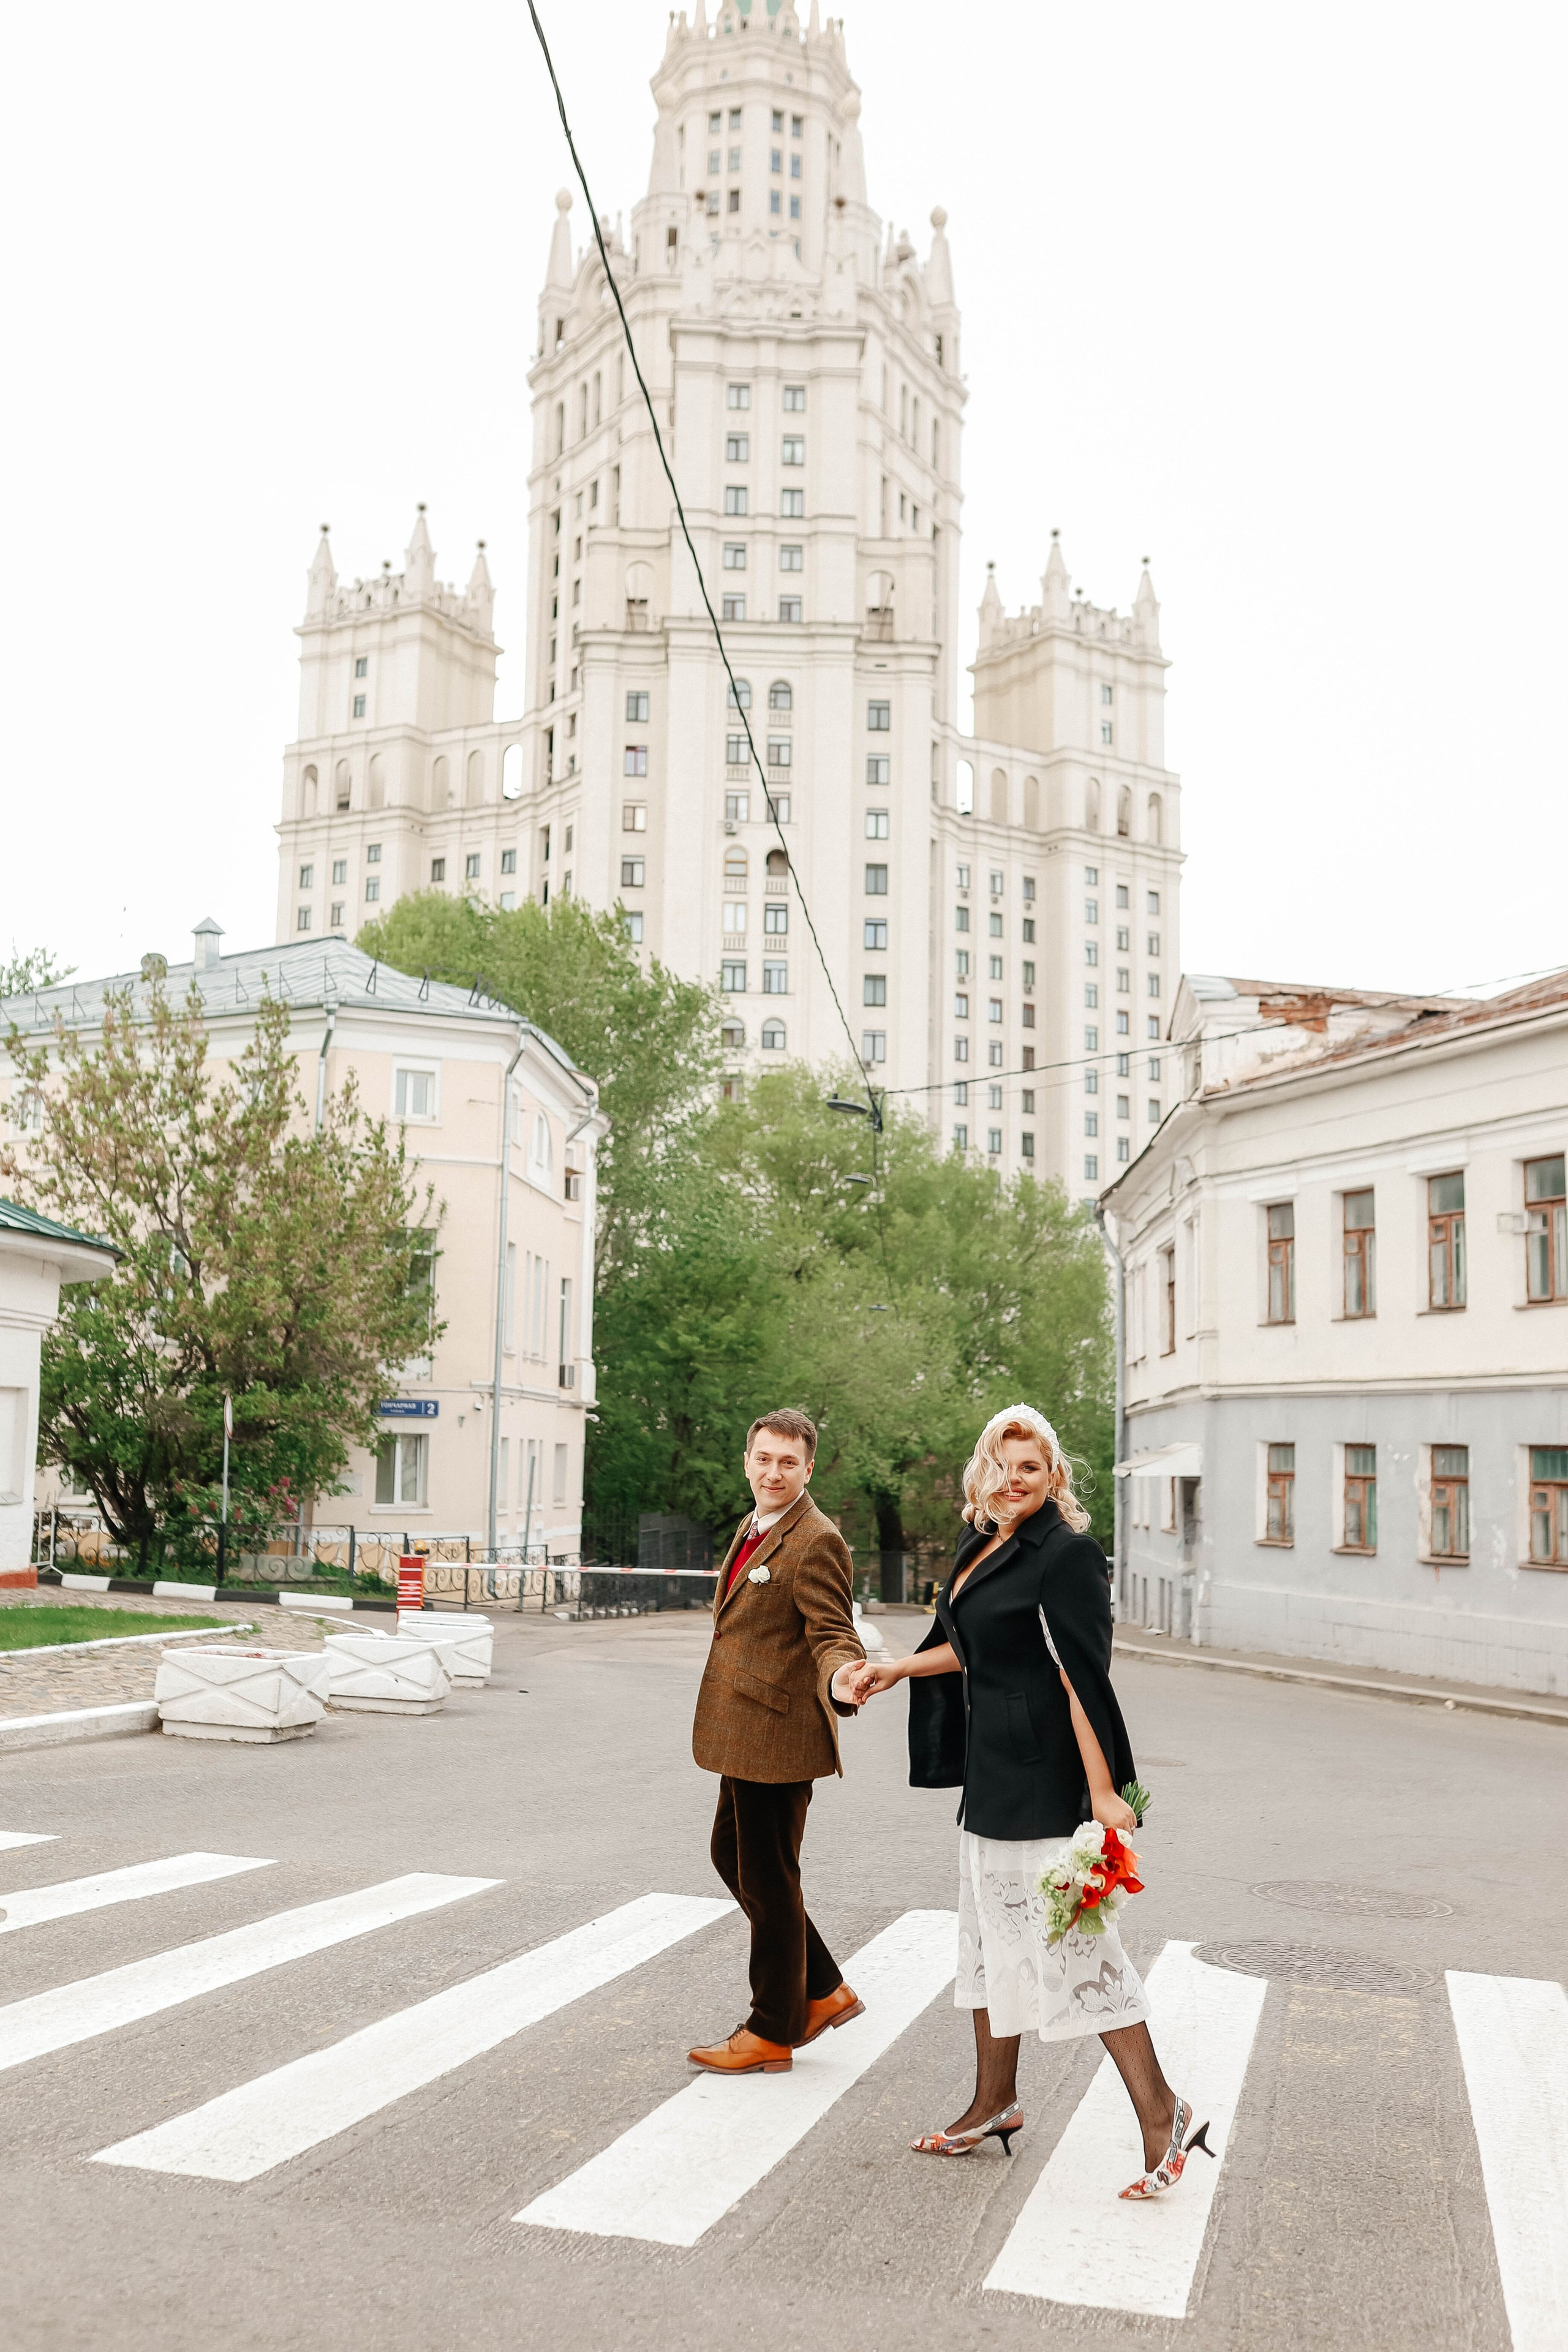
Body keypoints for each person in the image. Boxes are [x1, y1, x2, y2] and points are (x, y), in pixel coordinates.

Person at [852, 1404, 1213, 2199]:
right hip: (992, 1779)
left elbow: (1081, 1678)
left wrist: (1103, 1792)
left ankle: (1163, 2113)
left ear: (1054, 1478)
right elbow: (972, 1647)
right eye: (1002, 1466)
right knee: (986, 1943)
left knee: (1075, 1947)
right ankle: (995, 2102)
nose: (1013, 1481)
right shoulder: (986, 1546)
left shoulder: (1068, 1555)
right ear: (984, 1470)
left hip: (1046, 1784)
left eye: (1030, 1468)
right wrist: (894, 1672)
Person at [687, 1409, 868, 2076]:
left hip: (778, 1735)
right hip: (744, 1731)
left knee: (766, 1874)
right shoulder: (757, 1524)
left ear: (808, 1469)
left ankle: (772, 2028)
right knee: (734, 1857)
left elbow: (830, 1631)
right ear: (747, 1460)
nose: (773, 1472)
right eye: (764, 1459)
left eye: (787, 1463)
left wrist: (844, 1674)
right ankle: (822, 1989)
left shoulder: (816, 1539)